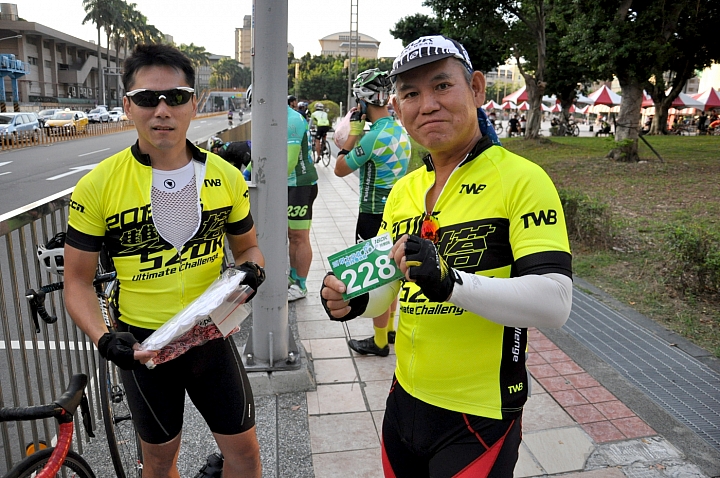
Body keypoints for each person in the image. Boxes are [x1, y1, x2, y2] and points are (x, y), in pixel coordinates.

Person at [320, 35, 572, 477]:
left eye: (441, 86)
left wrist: (449, 281)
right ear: (397, 109)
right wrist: (355, 301)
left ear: (476, 89)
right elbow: (387, 289)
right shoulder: (403, 191)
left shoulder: (522, 180)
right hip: (405, 402)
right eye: (411, 94)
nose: (427, 104)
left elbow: (555, 302)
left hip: (479, 415)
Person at [62, 43, 265, 478]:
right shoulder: (98, 185)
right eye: (145, 99)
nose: (161, 109)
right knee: (158, 461)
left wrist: (252, 270)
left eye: (174, 97)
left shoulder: (226, 177)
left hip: (210, 335)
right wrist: (103, 339)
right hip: (142, 348)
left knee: (245, 454)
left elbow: (248, 247)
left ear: (194, 103)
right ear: (126, 107)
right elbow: (76, 282)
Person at [334, 68, 411, 357]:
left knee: (379, 280)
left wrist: (353, 135)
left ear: (364, 102)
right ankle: (389, 329)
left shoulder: (372, 138)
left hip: (372, 215)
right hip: (398, 212)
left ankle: (379, 342)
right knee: (393, 273)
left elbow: (339, 168)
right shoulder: (399, 130)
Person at [287, 98, 319, 301]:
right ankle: (292, 277)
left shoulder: (292, 120)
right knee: (291, 235)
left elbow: (288, 163)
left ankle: (301, 284)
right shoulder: (272, 119)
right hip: (289, 185)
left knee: (299, 236)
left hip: (300, 185)